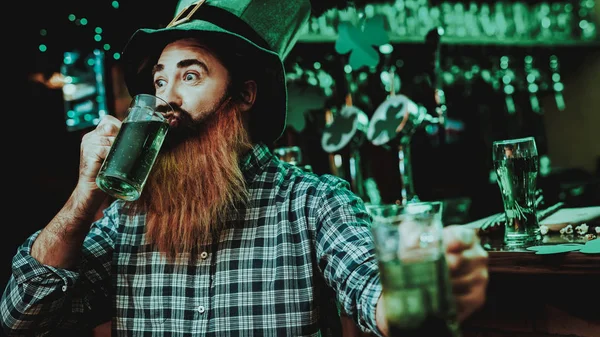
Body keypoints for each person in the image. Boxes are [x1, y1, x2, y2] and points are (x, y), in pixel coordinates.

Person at [1, 1, 489, 336]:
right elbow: (23, 316)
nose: (166, 97)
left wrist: (420, 293)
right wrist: (84, 199)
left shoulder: (313, 203)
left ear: (244, 96)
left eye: (190, 75)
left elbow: (374, 292)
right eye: (159, 79)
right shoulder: (127, 218)